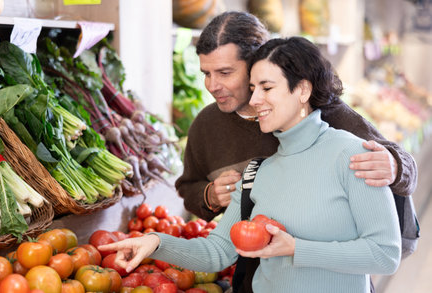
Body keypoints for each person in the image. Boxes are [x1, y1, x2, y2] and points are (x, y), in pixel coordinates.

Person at [99, 36, 402, 293]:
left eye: (267, 88)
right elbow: (217, 252)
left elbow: (385, 254)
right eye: (253, 87)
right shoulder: (259, 172)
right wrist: (154, 241)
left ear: (303, 91)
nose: (255, 99)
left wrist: (297, 248)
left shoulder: (354, 156)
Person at [175, 11, 417, 223]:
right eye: (206, 73)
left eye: (225, 73)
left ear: (257, 64)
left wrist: (394, 165)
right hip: (251, 265)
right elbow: (188, 188)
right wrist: (210, 196)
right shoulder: (206, 125)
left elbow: (403, 167)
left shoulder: (318, 110)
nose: (212, 85)